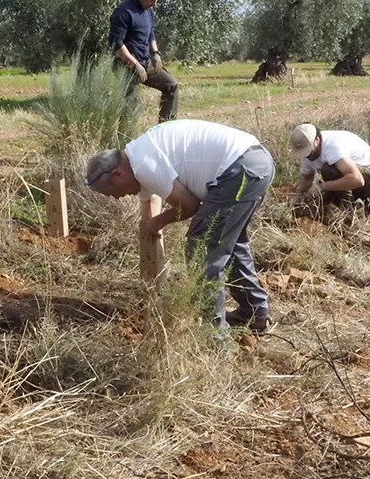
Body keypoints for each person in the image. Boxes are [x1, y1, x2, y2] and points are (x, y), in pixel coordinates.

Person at [84, 119, 274, 333]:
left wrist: (157, 222)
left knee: (203, 246)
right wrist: (149, 223)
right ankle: (254, 313)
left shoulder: (143, 166)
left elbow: (189, 205)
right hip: (254, 162)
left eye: (112, 192)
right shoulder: (139, 155)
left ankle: (213, 337)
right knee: (229, 242)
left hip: (239, 169)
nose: (118, 198)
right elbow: (148, 200)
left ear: (117, 174)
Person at [108, 0, 179, 123]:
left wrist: (155, 53)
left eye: (157, 0)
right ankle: (126, 144)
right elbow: (117, 45)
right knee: (131, 110)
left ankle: (165, 130)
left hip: (144, 62)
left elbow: (150, 32)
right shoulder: (123, 12)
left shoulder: (148, 10)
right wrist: (135, 65)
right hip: (126, 66)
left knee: (172, 86)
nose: (155, 3)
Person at [290, 123, 370, 217]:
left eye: (308, 151)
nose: (307, 156)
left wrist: (322, 187)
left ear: (317, 139)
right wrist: (297, 196)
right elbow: (307, 179)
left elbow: (357, 179)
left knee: (329, 170)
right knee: (324, 200)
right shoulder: (307, 154)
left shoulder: (333, 148)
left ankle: (351, 213)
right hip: (353, 177)